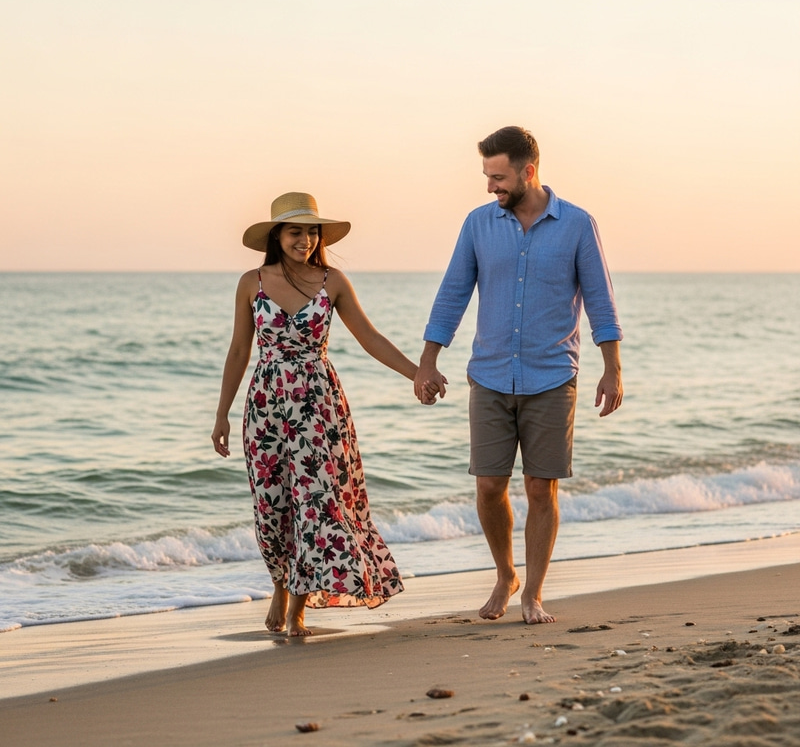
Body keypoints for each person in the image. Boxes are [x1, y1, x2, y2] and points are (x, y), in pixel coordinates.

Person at [414, 126, 623, 625]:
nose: (491, 187)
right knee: (489, 485)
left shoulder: (577, 224)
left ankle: (532, 592)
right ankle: (505, 573)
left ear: (529, 171)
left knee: (539, 487)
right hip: (488, 375)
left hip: (553, 376)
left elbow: (600, 300)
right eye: (487, 177)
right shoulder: (478, 225)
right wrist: (428, 359)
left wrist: (612, 368)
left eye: (499, 177)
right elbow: (452, 294)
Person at [212, 191, 428, 637]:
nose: (306, 240)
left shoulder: (333, 281)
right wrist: (222, 415)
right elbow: (238, 350)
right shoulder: (251, 282)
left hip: (318, 404)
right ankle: (279, 583)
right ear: (277, 235)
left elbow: (370, 337)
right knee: (272, 504)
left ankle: (298, 607)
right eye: (296, 231)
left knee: (316, 504)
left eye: (312, 232)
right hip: (266, 404)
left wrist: (416, 373)